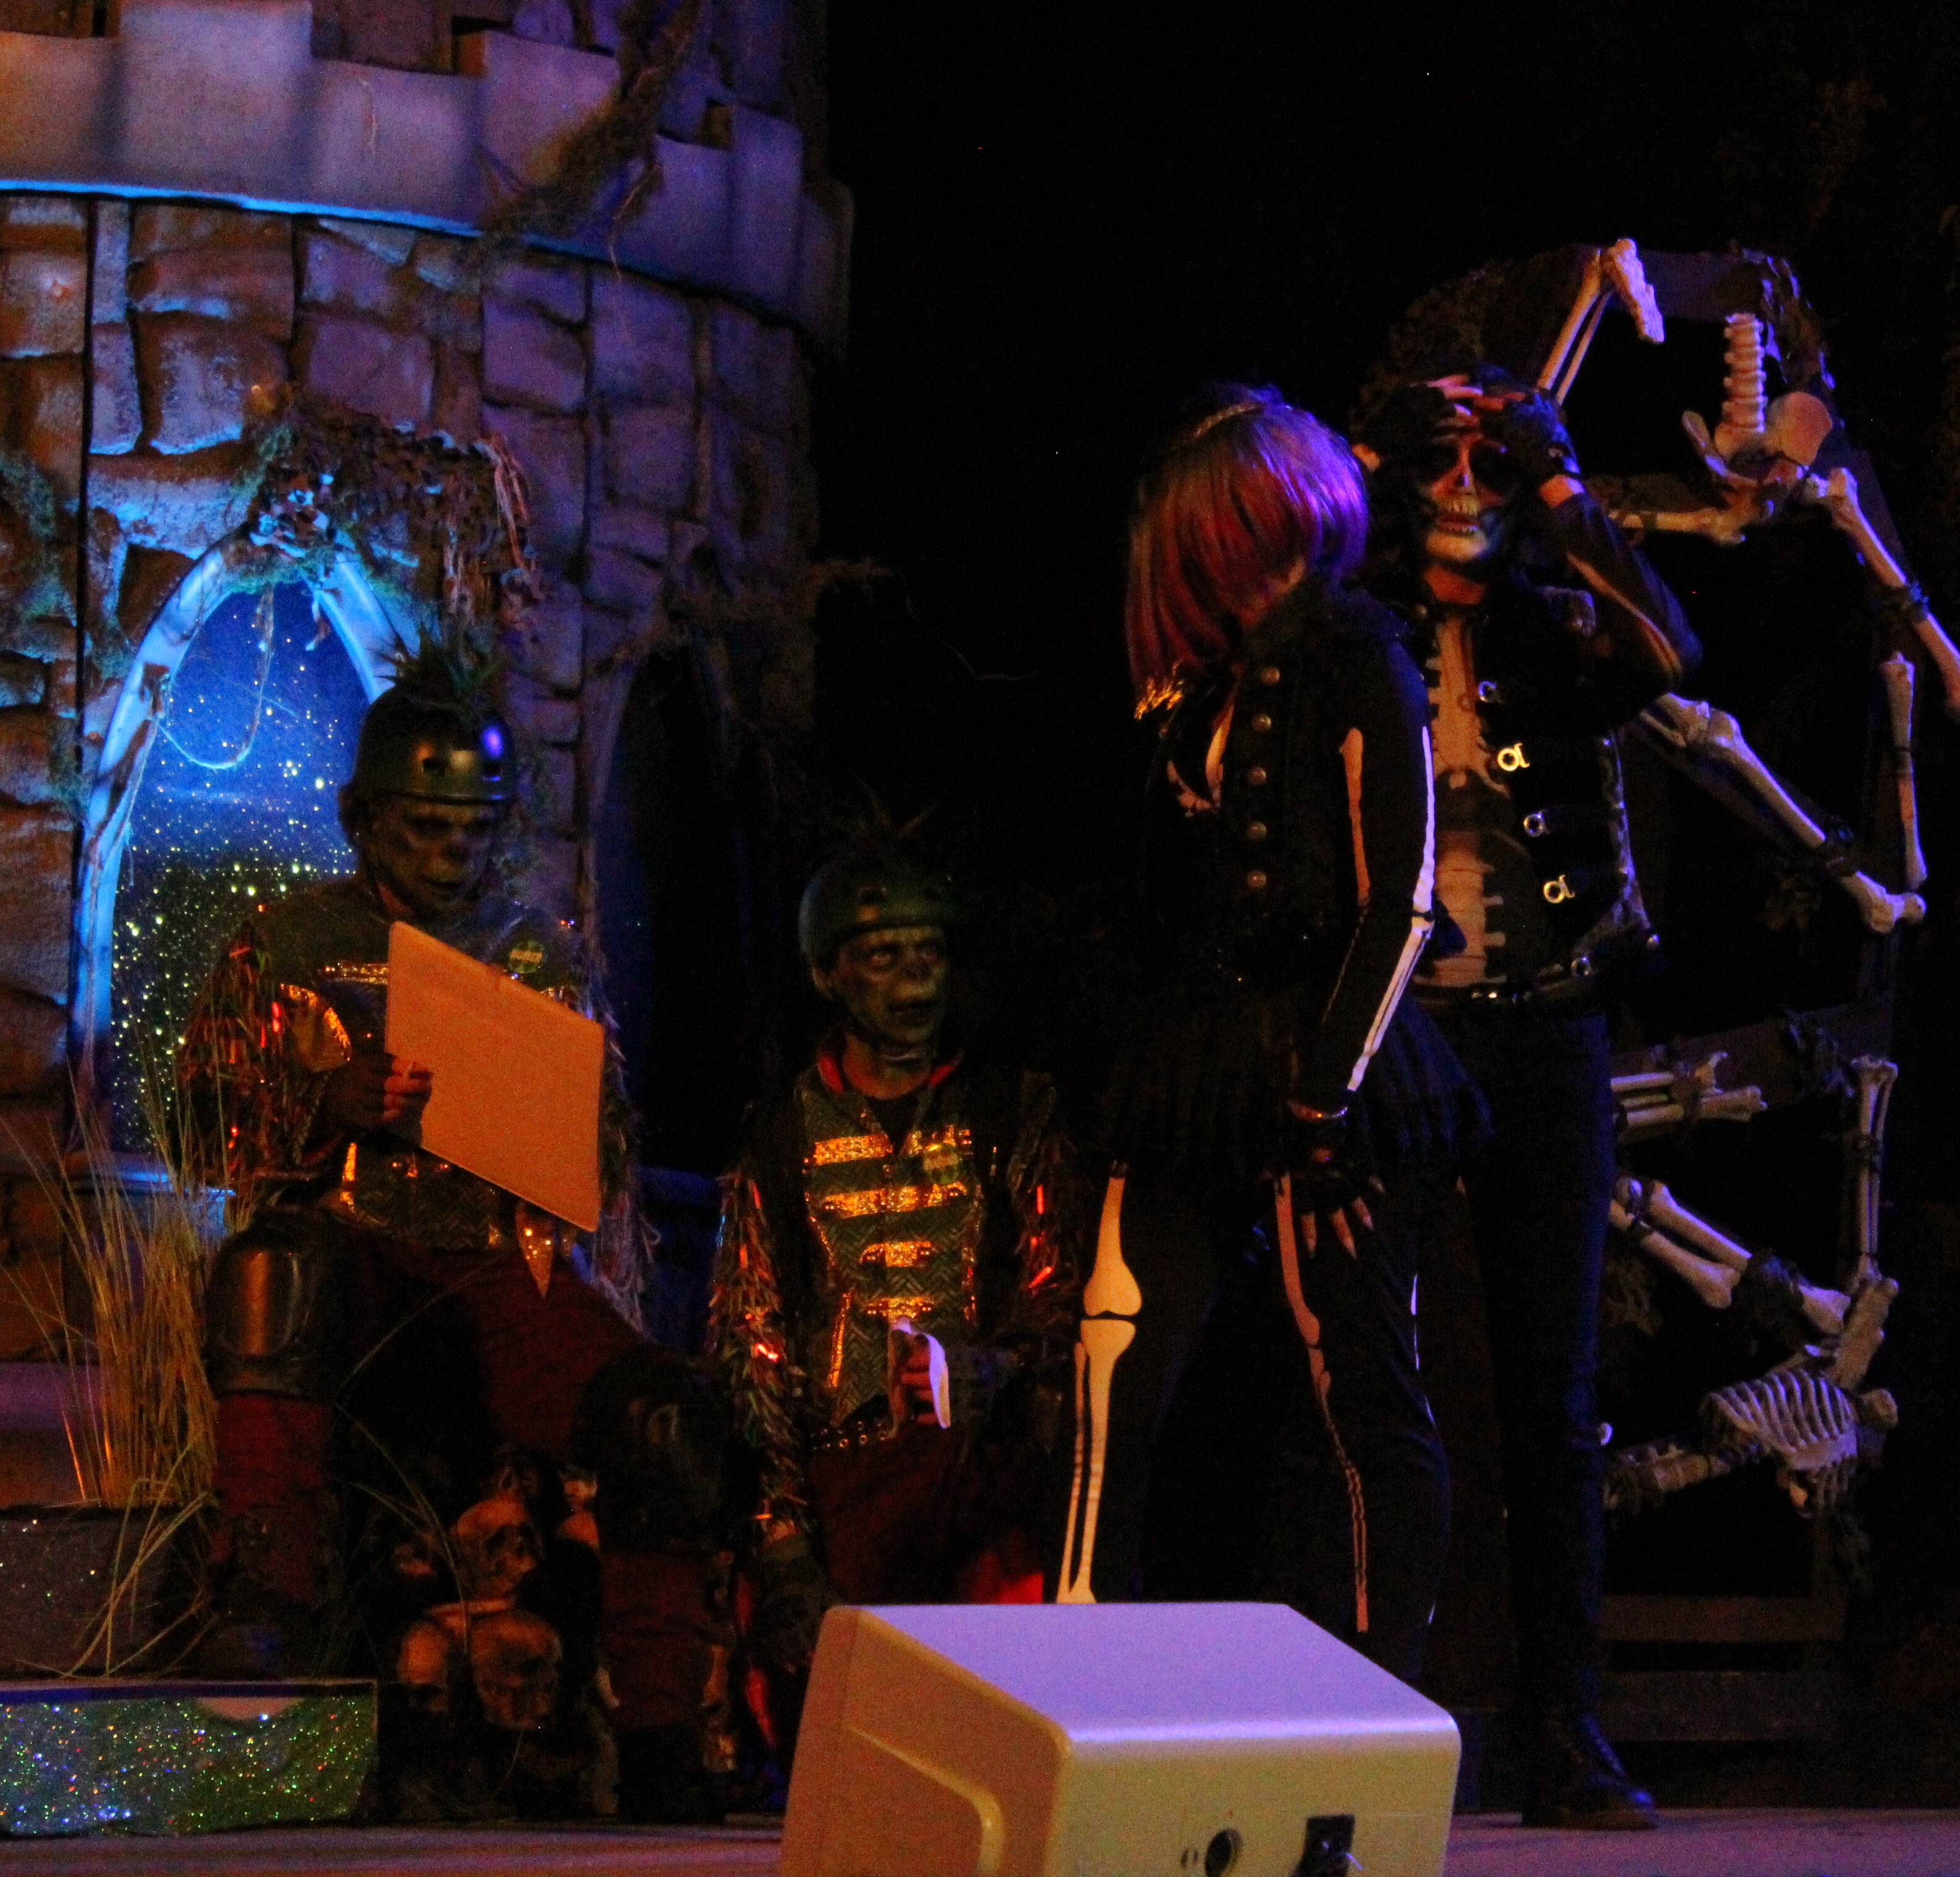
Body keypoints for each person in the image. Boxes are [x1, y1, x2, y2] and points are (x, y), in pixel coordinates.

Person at [170, 643, 765, 1819]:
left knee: (660, 1411)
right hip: (349, 1256)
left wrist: (538, 1120)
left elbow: (603, 1153)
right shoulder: (287, 944)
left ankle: (658, 1736)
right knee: (272, 1271)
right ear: (364, 818)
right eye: (425, 828)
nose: (452, 854)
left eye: (474, 831)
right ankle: (266, 1622)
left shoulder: (536, 952)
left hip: (497, 1264)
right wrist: (324, 1102)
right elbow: (198, 1121)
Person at [1056, 382, 1478, 1680]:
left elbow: (1401, 904)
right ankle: (1080, 1671)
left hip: (1323, 1054)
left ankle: (1383, 1695)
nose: (1222, 560)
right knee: (1113, 1361)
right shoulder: (1199, 688)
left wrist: (1327, 1095)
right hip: (1202, 1057)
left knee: (1359, 1392)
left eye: (1229, 530)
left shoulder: (1358, 653)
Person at [1353, 369, 1700, 1828]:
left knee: (1551, 1399)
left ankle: (1565, 1727)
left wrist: (1563, 494)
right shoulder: (1353, 630)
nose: (1467, 491)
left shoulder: (1556, 628)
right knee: (1377, 1387)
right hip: (1391, 1039)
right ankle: (1372, 1721)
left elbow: (1666, 654)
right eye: (1443, 463)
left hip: (1547, 1030)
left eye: (1489, 466)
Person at [708, 843, 1080, 1659]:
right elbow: (750, 1343)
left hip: (982, 1469)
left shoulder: (1011, 1110)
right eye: (883, 956)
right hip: (838, 1475)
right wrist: (783, 1539)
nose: (916, 978)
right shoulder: (781, 1134)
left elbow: (1063, 1299)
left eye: (930, 953)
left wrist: (995, 1371)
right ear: (827, 974)